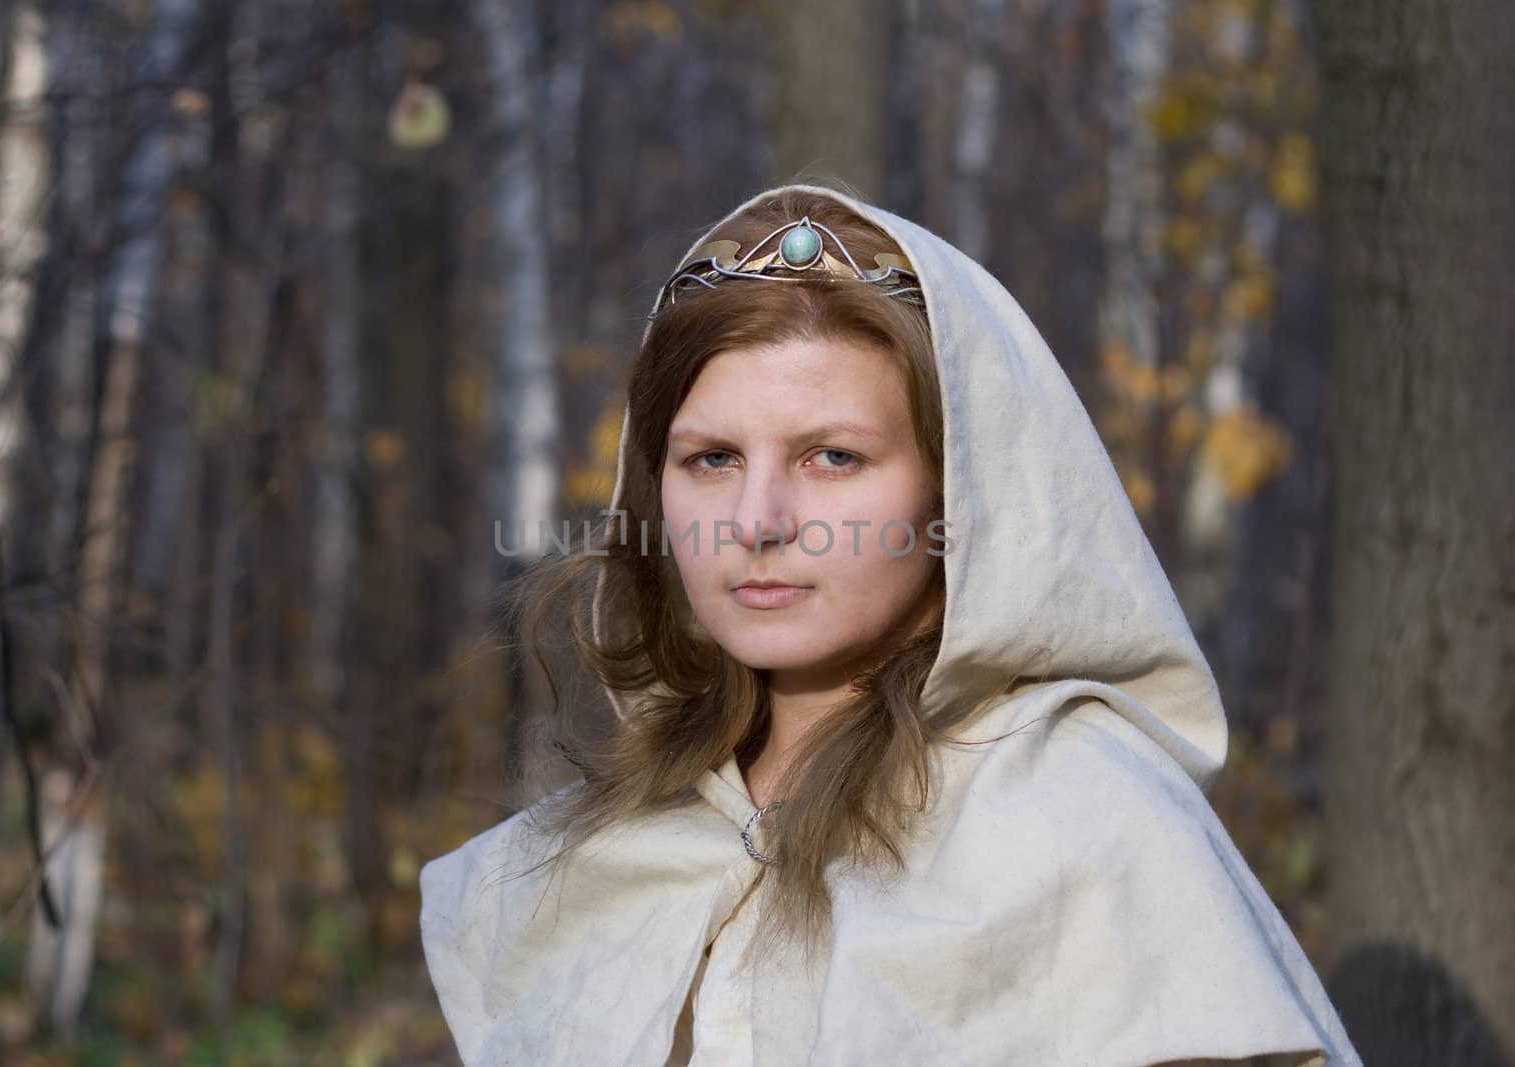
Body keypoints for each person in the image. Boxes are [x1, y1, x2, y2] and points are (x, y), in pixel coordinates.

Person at [420, 184, 1362, 1066]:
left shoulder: (1088, 822)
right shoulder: (602, 848)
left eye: (833, 456)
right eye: (711, 458)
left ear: (961, 488)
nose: (757, 519)